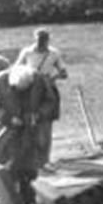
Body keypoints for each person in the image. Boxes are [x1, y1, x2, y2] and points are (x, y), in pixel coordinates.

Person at [0, 63, 57, 204]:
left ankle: (28, 198)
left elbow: (50, 101)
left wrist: (39, 115)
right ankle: (9, 199)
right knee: (4, 161)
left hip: (31, 129)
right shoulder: (0, 80)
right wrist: (8, 118)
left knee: (30, 163)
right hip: (7, 128)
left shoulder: (39, 79)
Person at [15, 27, 67, 167]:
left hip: (47, 91)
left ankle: (45, 160)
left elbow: (64, 73)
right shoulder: (27, 52)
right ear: (35, 39)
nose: (40, 43)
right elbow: (16, 69)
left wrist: (52, 78)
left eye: (43, 40)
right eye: (39, 40)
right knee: (29, 125)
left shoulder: (54, 53)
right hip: (29, 90)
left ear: (47, 40)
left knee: (45, 126)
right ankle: (31, 160)